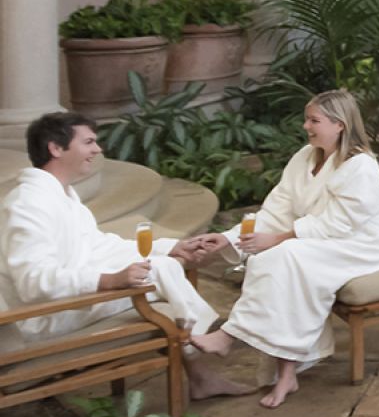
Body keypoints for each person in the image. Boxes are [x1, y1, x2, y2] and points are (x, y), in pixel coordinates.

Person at [0, 112, 247, 399]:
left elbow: (97, 245)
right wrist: (107, 281)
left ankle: (201, 366)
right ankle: (202, 349)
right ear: (56, 148)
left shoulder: (62, 195)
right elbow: (34, 282)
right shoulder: (30, 203)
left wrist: (169, 246)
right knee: (160, 272)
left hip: (63, 301)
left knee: (163, 265)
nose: (98, 150)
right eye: (89, 142)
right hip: (42, 316)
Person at [182, 90, 379, 409]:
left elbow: (340, 224)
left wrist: (282, 238)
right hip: (318, 240)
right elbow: (276, 209)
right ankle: (287, 374)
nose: (305, 126)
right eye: (306, 119)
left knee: (284, 256)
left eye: (314, 120)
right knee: (279, 264)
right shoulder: (305, 157)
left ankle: (230, 336)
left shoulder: (360, 167)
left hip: (362, 244)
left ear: (339, 125)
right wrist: (229, 238)